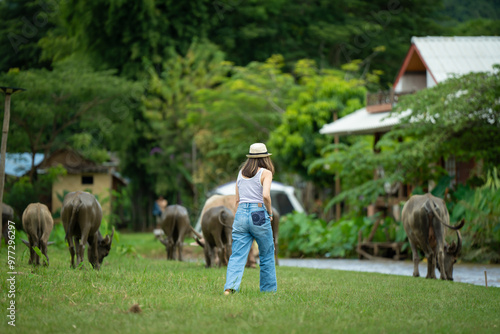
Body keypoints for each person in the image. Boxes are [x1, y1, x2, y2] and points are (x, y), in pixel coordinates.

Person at [224, 143, 277, 294]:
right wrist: (270, 213)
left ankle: (230, 288)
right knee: (266, 253)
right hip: (258, 213)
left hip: (241, 212)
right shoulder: (266, 173)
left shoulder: (241, 173)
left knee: (237, 254)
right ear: (266, 158)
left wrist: (241, 216)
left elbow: (237, 199)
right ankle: (268, 291)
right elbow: (266, 195)